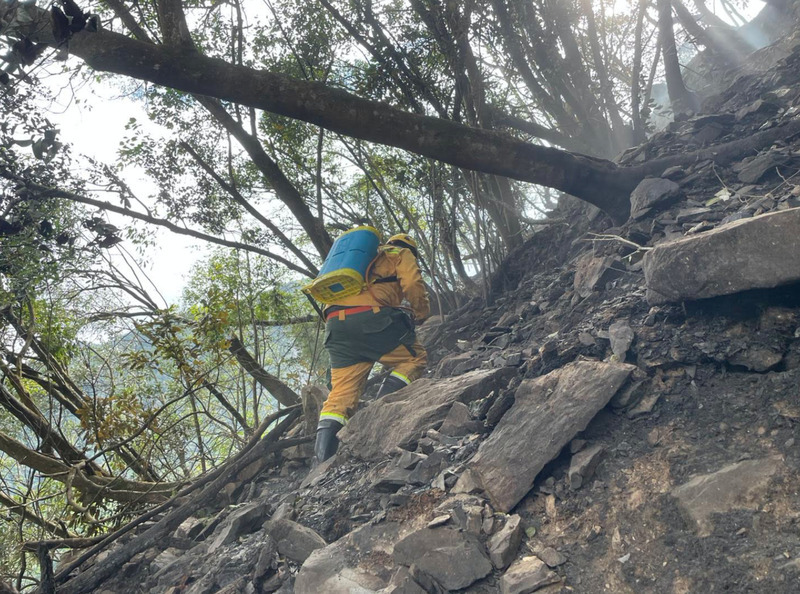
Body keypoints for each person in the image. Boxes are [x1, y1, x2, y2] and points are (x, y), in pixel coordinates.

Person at [314, 233, 430, 463]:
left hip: (335, 326)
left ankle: (320, 461)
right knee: (415, 359)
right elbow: (413, 283)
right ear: (410, 249)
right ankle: (382, 405)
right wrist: (422, 312)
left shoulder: (364, 259)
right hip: (372, 319)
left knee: (340, 396)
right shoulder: (399, 253)